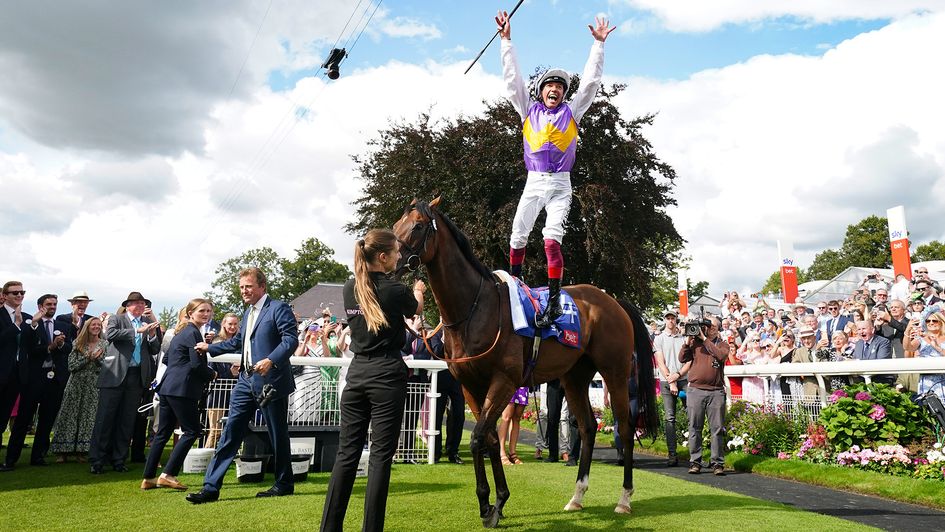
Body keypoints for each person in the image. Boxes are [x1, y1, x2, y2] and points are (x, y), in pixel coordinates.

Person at [497, 10, 615, 327]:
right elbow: (512, 81)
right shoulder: (527, 109)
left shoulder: (572, 112)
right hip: (534, 182)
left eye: (560, 87)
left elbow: (590, 83)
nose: (555, 90)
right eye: (550, 85)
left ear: (564, 94)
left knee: (551, 240)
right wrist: (506, 41)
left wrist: (599, 45)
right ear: (541, 91)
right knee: (517, 236)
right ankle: (514, 287)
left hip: (561, 184)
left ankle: (552, 304)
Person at [320, 229, 425, 532]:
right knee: (380, 457)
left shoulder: (349, 287)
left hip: (356, 374)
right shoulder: (396, 290)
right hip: (386, 375)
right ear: (382, 256)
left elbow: (374, 292)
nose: (399, 256)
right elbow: (416, 308)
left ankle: (329, 527)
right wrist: (418, 289)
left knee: (346, 455)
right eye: (395, 252)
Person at [187, 267, 299, 504]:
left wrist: (271, 360)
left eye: (248, 286)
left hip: (271, 382)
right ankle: (210, 488)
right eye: (241, 287)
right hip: (245, 381)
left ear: (262, 286)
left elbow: (290, 340)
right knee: (230, 432)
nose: (244, 291)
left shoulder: (278, 308)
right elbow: (238, 342)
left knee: (277, 434)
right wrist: (210, 348)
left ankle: (284, 483)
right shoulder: (248, 313)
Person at [142, 298, 216, 491]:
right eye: (202, 311)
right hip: (182, 390)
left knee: (163, 433)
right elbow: (196, 364)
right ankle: (168, 474)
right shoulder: (193, 333)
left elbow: (167, 359)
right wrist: (212, 374)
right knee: (192, 431)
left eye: (208, 311)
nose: (206, 314)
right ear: (190, 313)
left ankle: (149, 477)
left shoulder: (183, 333)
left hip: (168, 387)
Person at [88, 291, 160, 474]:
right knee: (105, 419)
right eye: (136, 303)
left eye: (143, 303)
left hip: (136, 376)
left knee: (127, 420)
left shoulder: (147, 322)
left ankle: (119, 459)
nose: (140, 306)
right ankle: (97, 460)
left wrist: (152, 334)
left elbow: (155, 349)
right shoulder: (117, 319)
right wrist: (136, 331)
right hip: (115, 374)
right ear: (128, 306)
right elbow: (110, 335)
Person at [1, 294, 72, 470]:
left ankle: (38, 456)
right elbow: (28, 348)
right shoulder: (30, 324)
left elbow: (69, 348)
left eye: (55, 304)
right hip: (33, 378)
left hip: (55, 379)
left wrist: (60, 345)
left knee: (47, 420)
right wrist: (48, 345)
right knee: (23, 420)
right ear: (40, 306)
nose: (52, 307)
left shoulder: (63, 325)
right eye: (49, 304)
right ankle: (11, 459)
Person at [50, 316, 106, 462]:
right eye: (93, 324)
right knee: (69, 415)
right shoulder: (77, 343)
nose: (96, 327)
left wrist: (97, 360)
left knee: (88, 417)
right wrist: (88, 358)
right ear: (87, 327)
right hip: (76, 383)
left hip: (94, 384)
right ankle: (62, 451)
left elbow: (107, 366)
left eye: (98, 325)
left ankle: (82, 451)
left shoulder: (105, 344)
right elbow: (71, 366)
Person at [679, 316, 727, 476]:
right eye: (707, 326)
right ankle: (695, 462)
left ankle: (717, 464)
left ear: (717, 328)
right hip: (696, 390)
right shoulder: (695, 343)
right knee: (694, 427)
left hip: (716, 391)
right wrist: (688, 341)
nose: (708, 328)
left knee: (717, 429)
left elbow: (720, 356)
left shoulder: (722, 344)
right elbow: (682, 358)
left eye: (712, 326)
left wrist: (705, 339)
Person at [0, 281, 35, 451]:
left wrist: (34, 326)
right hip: (1, 371)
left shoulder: (28, 317)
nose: (19, 295)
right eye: (15, 293)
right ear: (5, 296)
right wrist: (16, 325)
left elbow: (32, 345)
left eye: (22, 292)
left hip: (18, 374)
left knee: (5, 416)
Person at [653, 309, 688, 466]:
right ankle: (672, 454)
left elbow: (689, 361)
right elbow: (660, 362)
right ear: (665, 320)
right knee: (669, 418)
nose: (670, 320)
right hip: (667, 381)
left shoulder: (683, 338)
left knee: (693, 415)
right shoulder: (659, 338)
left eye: (672, 318)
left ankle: (695, 453)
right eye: (668, 318)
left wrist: (678, 376)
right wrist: (671, 380)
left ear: (676, 320)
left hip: (684, 379)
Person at [206, 313, 240, 449]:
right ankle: (206, 456)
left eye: (235, 324)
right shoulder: (217, 342)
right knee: (215, 431)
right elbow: (211, 371)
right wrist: (230, 373)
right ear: (224, 324)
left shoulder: (240, 343)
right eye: (230, 324)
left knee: (231, 431)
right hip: (218, 393)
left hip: (235, 392)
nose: (232, 327)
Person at [906, 310, 945, 403]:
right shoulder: (921, 338)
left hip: (943, 378)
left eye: (934, 321)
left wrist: (937, 347)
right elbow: (908, 347)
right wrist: (907, 331)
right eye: (928, 321)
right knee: (928, 406)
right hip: (926, 379)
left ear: (941, 322)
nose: (931, 323)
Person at [852, 320, 895, 385]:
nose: (861, 332)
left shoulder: (883, 342)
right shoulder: (858, 344)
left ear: (872, 330)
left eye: (864, 329)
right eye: (859, 329)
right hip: (862, 380)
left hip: (881, 381)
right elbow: (855, 361)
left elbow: (881, 362)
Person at [498, 387, 528, 465]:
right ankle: (501, 453)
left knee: (517, 418)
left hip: (522, 385)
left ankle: (512, 453)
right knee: (506, 416)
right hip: (508, 384)